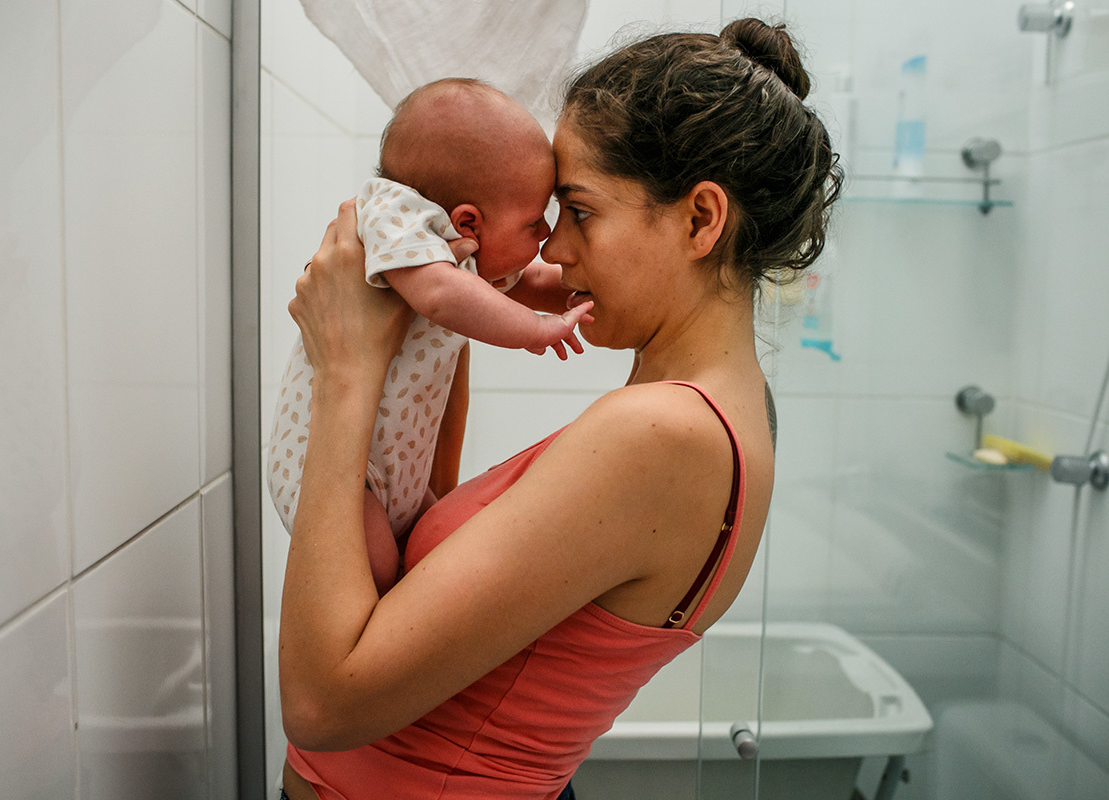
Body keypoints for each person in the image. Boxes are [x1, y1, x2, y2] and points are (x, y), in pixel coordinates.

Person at [278, 17, 842, 800]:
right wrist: (436, 325)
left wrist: (346, 369)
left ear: (700, 220)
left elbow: (319, 704)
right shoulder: (721, 416)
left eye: (579, 211)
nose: (551, 250)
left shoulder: (662, 435)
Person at [267, 79, 593, 594]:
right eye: (535, 222)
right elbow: (439, 295)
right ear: (468, 220)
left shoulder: (468, 250)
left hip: (396, 469)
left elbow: (529, 282)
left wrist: (582, 292)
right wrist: (537, 330)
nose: (547, 236)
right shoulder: (394, 216)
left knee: (437, 546)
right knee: (377, 569)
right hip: (330, 464)